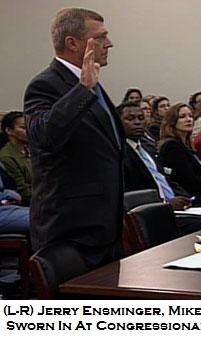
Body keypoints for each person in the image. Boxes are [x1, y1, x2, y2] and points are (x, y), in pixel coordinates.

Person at [23, 8, 125, 267]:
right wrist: (82, 90)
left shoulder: (92, 83)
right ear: (73, 43)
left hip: (105, 226)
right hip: (71, 229)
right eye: (101, 37)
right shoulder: (45, 85)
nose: (109, 43)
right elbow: (43, 136)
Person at [119, 102, 201, 234]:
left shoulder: (147, 148)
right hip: (153, 212)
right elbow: (133, 192)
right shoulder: (120, 154)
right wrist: (166, 203)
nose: (137, 122)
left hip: (177, 206)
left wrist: (184, 197)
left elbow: (165, 179)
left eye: (141, 118)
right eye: (130, 119)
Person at [159, 103, 201, 201]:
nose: (188, 119)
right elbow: (187, 179)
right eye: (182, 117)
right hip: (188, 198)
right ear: (172, 121)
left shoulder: (187, 145)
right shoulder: (172, 147)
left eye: (191, 116)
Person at [0, 111, 32, 205]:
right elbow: (23, 192)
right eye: (23, 128)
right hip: (28, 202)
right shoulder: (7, 157)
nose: (28, 131)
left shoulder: (31, 149)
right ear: (9, 130)